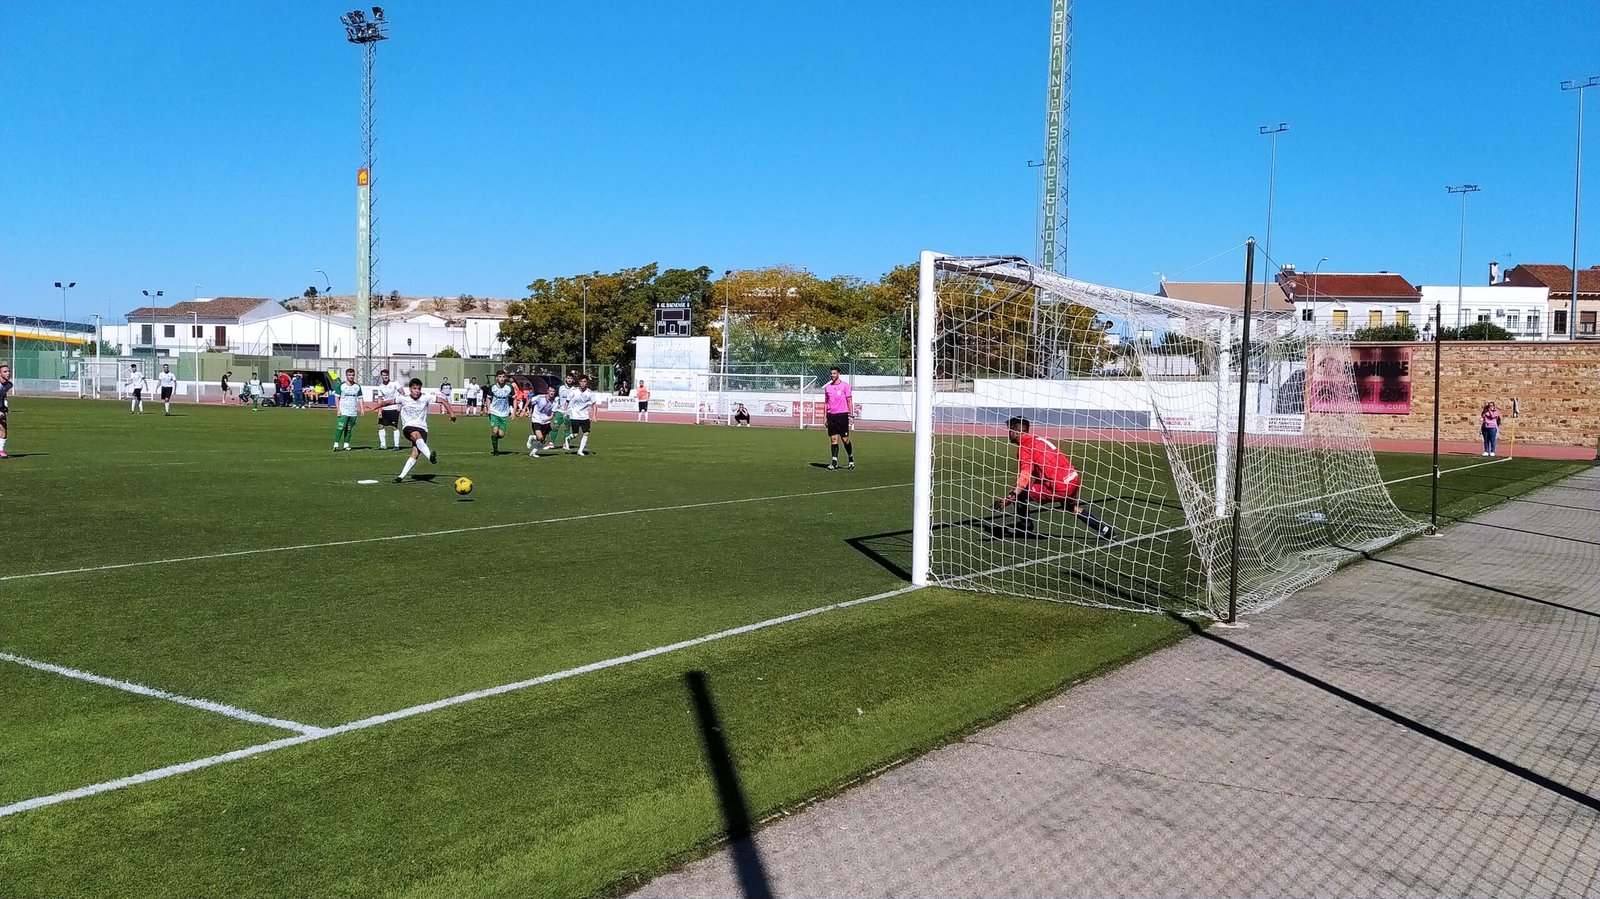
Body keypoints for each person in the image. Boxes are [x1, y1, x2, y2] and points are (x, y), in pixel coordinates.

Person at [993, 416, 1113, 540]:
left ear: (1016, 432)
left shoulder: (1024, 447)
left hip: (1059, 486)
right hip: (1073, 478)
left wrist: (1011, 497)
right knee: (1071, 508)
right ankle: (1105, 530)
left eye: (1010, 431)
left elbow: (1025, 475)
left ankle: (1025, 527)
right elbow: (1035, 473)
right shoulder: (1038, 439)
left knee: (1021, 494)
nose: (1009, 434)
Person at [370, 377, 456, 482]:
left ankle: (400, 477)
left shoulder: (426, 398)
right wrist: (376, 407)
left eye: (419, 389)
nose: (417, 391)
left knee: (415, 453)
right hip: (409, 427)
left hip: (423, 428)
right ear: (410, 389)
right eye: (415, 388)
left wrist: (451, 413)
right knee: (416, 435)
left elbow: (442, 400)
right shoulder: (404, 398)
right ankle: (430, 457)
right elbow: (388, 402)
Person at [823, 366, 855, 470]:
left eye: (834, 373)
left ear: (838, 374)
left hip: (842, 415)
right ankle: (834, 462)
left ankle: (850, 458)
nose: (832, 375)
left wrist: (851, 415)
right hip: (831, 416)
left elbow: (849, 401)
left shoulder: (845, 386)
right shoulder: (828, 388)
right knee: (833, 439)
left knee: (845, 439)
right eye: (831, 373)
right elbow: (826, 403)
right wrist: (825, 417)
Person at [332, 367, 364, 451]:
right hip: (344, 410)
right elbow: (336, 398)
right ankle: (336, 444)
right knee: (340, 427)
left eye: (353, 375)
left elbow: (360, 398)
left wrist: (362, 408)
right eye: (349, 375)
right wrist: (338, 410)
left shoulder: (357, 386)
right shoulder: (341, 385)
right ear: (346, 376)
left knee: (349, 428)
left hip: (353, 411)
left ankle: (346, 445)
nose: (351, 377)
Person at [485, 370, 517, 454]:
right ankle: (495, 450)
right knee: (495, 431)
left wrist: (513, 413)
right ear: (496, 378)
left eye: (503, 377)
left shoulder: (509, 387)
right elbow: (488, 398)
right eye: (499, 377)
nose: (501, 378)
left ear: (505, 377)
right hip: (494, 412)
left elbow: (514, 399)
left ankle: (494, 438)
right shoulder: (492, 387)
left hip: (504, 413)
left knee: (501, 435)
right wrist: (488, 408)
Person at [567, 375, 597, 455]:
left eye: (585, 382)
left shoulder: (590, 393)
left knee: (586, 433)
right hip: (575, 415)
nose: (583, 383)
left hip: (585, 416)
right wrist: (565, 411)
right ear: (579, 382)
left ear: (587, 383)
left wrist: (594, 416)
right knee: (575, 435)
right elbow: (567, 401)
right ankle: (568, 438)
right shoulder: (574, 391)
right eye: (581, 381)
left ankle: (580, 450)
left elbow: (594, 404)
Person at [373, 369, 402, 450]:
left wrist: (399, 404)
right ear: (381, 376)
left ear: (389, 375)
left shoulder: (394, 383)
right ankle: (383, 445)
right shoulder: (380, 387)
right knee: (380, 425)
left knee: (394, 427)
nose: (385, 376)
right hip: (385, 409)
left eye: (386, 375)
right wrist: (379, 410)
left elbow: (402, 393)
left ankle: (396, 445)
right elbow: (380, 399)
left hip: (393, 408)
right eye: (383, 375)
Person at [527, 385, 557, 457]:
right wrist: (524, 409)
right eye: (550, 391)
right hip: (536, 420)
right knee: (540, 437)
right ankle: (531, 437)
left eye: (553, 391)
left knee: (544, 440)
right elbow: (530, 401)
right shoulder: (540, 397)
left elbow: (552, 415)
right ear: (547, 391)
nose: (551, 393)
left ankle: (533, 453)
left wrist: (548, 419)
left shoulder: (555, 402)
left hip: (546, 422)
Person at [554, 372, 578, 450]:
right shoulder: (560, 388)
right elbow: (557, 397)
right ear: (565, 379)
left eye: (571, 378)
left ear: (573, 380)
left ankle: (565, 443)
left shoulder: (575, 389)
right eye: (568, 378)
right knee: (555, 426)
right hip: (560, 410)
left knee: (567, 428)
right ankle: (551, 443)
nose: (569, 380)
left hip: (569, 411)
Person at [0, 363, 13, 458]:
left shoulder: (9, 384)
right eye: (5, 372)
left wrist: (4, 407)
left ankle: (1, 450)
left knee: (3, 428)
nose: (8, 373)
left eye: (9, 371)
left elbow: (3, 395)